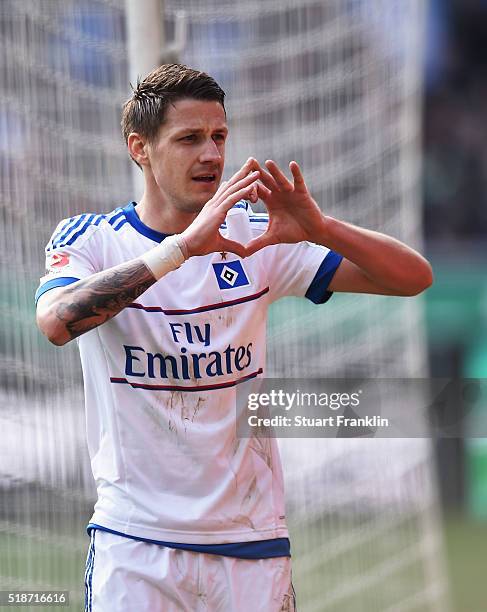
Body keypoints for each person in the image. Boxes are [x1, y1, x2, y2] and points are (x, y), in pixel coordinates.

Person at [35, 64, 432, 612]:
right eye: (189, 138)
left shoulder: (255, 236)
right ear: (139, 149)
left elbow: (412, 278)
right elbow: (57, 323)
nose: (210, 154)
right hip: (136, 545)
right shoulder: (93, 240)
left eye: (219, 136)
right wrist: (180, 250)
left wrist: (322, 230)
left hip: (251, 544)